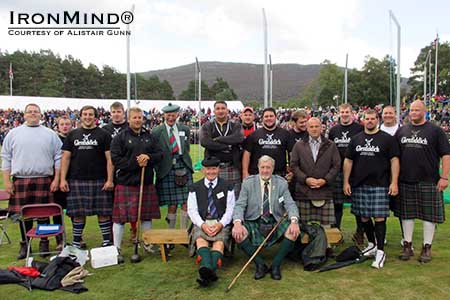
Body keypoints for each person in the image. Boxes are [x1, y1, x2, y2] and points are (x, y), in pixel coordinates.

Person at [1, 103, 62, 259]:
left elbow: (58, 158)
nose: (33, 114)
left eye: (36, 112)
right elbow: (6, 158)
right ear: (24, 114)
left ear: (41, 115)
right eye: (30, 112)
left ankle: (44, 242)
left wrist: (56, 179)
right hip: (21, 180)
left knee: (43, 214)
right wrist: (7, 182)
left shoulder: (50, 134)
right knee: (24, 215)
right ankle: (25, 243)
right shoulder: (13, 134)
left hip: (44, 179)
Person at [343, 109, 400, 269]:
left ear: (378, 120)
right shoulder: (356, 139)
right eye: (367, 118)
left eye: (372, 118)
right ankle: (372, 244)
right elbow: (348, 161)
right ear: (363, 120)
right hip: (359, 184)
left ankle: (381, 251)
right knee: (364, 218)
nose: (369, 121)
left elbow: (394, 161)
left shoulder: (387, 139)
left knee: (380, 217)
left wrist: (394, 182)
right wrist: (346, 182)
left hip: (380, 184)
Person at [396, 100, 450, 263]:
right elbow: (395, 157)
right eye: (411, 110)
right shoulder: (402, 131)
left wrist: (444, 177)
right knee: (407, 215)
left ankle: (427, 247)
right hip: (405, 179)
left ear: (425, 111)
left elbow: (446, 155)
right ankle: (407, 245)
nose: (413, 112)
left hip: (429, 180)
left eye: (417, 110)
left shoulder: (435, 131)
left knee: (429, 216)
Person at [232, 155, 300, 281]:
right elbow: (240, 205)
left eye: (268, 167)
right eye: (262, 167)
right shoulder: (248, 183)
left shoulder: (281, 183)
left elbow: (290, 204)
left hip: (275, 220)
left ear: (273, 168)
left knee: (293, 232)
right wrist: (237, 223)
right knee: (238, 233)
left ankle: (276, 265)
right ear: (258, 167)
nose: (265, 170)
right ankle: (259, 264)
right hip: (254, 220)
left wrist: (294, 221)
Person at [110, 107, 163, 263]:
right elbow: (116, 160)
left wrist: (148, 157)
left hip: (145, 182)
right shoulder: (120, 137)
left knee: (146, 217)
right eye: (134, 117)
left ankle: (147, 244)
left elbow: (159, 154)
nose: (138, 120)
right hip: (126, 182)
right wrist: (136, 162)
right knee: (120, 218)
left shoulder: (149, 136)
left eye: (140, 117)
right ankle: (116, 248)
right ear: (129, 119)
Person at [60, 105, 115, 248]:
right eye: (85, 114)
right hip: (76, 179)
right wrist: (62, 179)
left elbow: (110, 159)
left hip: (99, 179)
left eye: (91, 114)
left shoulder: (104, 135)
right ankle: (76, 242)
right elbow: (65, 158)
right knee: (78, 213)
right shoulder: (73, 134)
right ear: (81, 116)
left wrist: (110, 179)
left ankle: (106, 242)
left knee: (103, 212)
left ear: (96, 117)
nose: (88, 117)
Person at [187, 156, 235, 287]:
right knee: (200, 240)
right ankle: (210, 271)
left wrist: (220, 224)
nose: (211, 172)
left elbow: (230, 210)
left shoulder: (228, 186)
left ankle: (206, 270)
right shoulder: (194, 188)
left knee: (219, 243)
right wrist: (202, 225)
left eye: (214, 169)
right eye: (208, 169)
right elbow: (192, 210)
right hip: (201, 222)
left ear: (218, 169)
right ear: (203, 170)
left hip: (221, 222)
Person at [290, 117, 340, 227]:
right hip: (304, 191)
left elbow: (336, 165)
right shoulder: (298, 145)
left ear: (321, 128)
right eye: (311, 127)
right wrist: (306, 179)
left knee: (326, 226)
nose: (314, 129)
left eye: (316, 126)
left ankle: (326, 244)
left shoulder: (330, 145)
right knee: (303, 225)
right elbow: (293, 165)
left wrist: (325, 180)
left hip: (325, 190)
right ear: (307, 129)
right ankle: (304, 245)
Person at [153, 103, 194, 232]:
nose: (171, 118)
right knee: (172, 204)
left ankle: (183, 232)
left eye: (173, 115)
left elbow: (186, 147)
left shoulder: (184, 129)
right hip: (167, 168)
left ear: (177, 115)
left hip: (183, 165)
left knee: (186, 201)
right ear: (164, 115)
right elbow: (154, 150)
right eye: (168, 115)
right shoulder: (157, 131)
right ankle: (171, 232)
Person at [328, 103, 364, 242]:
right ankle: (336, 234)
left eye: (347, 112)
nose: (344, 114)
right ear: (338, 113)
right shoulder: (334, 130)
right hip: (337, 171)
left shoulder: (359, 129)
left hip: (356, 171)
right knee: (337, 204)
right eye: (342, 112)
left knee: (357, 204)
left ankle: (360, 232)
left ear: (352, 113)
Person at [102, 102, 138, 241]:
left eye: (119, 111)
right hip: (109, 170)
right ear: (110, 113)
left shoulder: (129, 127)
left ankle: (134, 231)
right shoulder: (105, 129)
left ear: (124, 113)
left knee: (133, 203)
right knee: (112, 204)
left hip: (128, 170)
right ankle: (112, 233)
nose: (116, 114)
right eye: (113, 112)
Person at [200, 101, 244, 196]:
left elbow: (238, 138)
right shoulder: (207, 125)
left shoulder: (235, 125)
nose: (220, 111)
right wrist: (227, 146)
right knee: (215, 199)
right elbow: (205, 142)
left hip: (232, 166)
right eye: (218, 108)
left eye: (223, 108)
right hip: (213, 168)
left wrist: (218, 139)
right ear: (214, 111)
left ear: (227, 110)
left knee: (234, 198)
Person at [242, 108, 293, 179]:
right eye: (266, 116)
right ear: (262, 118)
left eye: (271, 116)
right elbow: (247, 154)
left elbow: (291, 153)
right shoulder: (253, 135)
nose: (269, 118)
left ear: (276, 117)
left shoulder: (285, 134)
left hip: (279, 174)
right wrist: (245, 172)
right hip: (257, 174)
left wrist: (292, 170)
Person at [380, 105, 404, 246]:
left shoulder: (403, 130)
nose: (388, 115)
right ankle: (381, 237)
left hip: (400, 175)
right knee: (382, 209)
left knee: (402, 209)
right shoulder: (377, 131)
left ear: (395, 114)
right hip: (382, 175)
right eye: (385, 113)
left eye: (390, 113)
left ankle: (405, 238)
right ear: (382, 115)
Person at [53, 116, 73, 251]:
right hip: (57, 178)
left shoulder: (74, 138)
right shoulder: (54, 140)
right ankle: (59, 238)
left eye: (67, 124)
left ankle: (78, 236)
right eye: (62, 124)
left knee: (74, 210)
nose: (65, 126)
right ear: (58, 126)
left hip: (72, 178)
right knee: (57, 210)